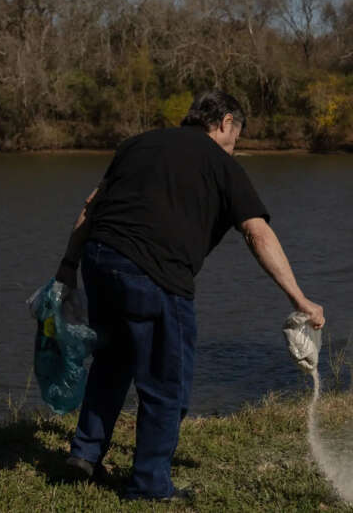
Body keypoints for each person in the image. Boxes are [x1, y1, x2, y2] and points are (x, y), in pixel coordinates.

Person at [53, 89, 325, 501]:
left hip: (100, 260)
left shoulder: (137, 144)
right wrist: (299, 298)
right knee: (167, 383)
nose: (236, 145)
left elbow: (91, 207)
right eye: (238, 134)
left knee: (113, 361)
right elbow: (257, 232)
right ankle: (148, 486)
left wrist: (67, 268)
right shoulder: (221, 163)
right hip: (154, 274)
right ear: (224, 123)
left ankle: (84, 456)